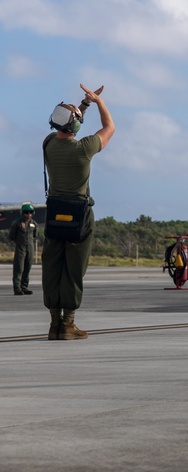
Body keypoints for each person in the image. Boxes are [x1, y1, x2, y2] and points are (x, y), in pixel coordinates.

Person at [42, 85, 114, 340]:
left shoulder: (48, 144)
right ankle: (68, 324)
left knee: (52, 266)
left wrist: (81, 107)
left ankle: (54, 325)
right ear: (75, 126)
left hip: (54, 213)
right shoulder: (84, 148)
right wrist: (98, 102)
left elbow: (67, 126)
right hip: (79, 215)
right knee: (73, 269)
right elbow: (109, 128)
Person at [8, 202, 37, 295]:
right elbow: (12, 236)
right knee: (19, 268)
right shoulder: (17, 223)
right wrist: (19, 243)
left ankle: (24, 287)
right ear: (22, 213)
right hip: (20, 248)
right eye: (26, 212)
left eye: (30, 212)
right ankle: (17, 288)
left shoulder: (34, 224)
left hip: (30, 247)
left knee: (27, 267)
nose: (28, 214)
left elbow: (35, 235)